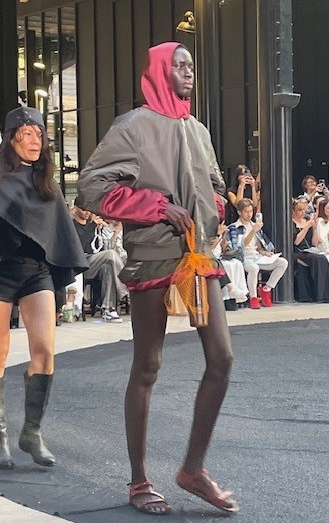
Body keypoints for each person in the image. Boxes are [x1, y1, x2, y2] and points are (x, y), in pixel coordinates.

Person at [77, 43, 238, 515]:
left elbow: (215, 185)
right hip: (153, 255)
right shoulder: (133, 126)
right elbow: (92, 186)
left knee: (222, 358)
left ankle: (192, 469)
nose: (188, 72)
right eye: (179, 65)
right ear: (160, 71)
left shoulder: (197, 129)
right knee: (147, 365)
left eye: (191, 66)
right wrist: (158, 207)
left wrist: (212, 208)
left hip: (197, 255)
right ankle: (139, 479)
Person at [0, 107, 87, 469]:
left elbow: (59, 234)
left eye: (39, 134)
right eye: (27, 133)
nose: (35, 140)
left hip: (36, 272)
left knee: (45, 351)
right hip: (1, 269)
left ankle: (32, 432)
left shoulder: (46, 183)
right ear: (11, 138)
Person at [227, 198, 288, 309]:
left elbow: (259, 247)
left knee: (282, 262)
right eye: (246, 211)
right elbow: (241, 246)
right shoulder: (234, 227)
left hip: (256, 256)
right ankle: (253, 297)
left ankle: (267, 289)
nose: (249, 214)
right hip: (243, 258)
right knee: (254, 268)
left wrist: (265, 252)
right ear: (239, 212)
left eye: (251, 211)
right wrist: (253, 231)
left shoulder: (255, 225)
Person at [72, 200, 127, 322]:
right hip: (80, 263)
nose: (87, 212)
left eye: (88, 210)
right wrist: (92, 225)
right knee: (110, 254)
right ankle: (125, 288)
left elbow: (99, 248)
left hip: (94, 263)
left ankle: (108, 309)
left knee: (108, 267)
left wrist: (99, 229)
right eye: (83, 209)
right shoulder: (71, 225)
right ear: (75, 209)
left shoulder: (94, 226)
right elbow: (78, 247)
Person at [291, 199, 329, 303]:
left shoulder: (307, 221)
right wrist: (306, 227)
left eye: (304, 210)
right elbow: (296, 241)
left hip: (310, 249)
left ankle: (326, 294)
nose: (302, 213)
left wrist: (314, 229)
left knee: (323, 259)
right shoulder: (292, 223)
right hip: (298, 251)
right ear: (293, 211)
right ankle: (320, 295)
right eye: (299, 210)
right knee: (318, 260)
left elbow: (314, 243)